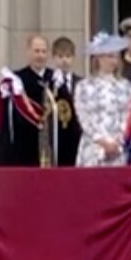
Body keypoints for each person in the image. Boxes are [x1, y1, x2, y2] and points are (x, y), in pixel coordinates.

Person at [0, 36, 61, 167]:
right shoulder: (16, 81)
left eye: (43, 51)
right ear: (28, 52)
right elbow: (6, 122)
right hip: (23, 148)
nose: (40, 55)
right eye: (36, 51)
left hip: (51, 146)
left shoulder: (56, 79)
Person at [74, 33, 131, 167]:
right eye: (110, 56)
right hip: (92, 147)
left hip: (117, 148)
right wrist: (101, 140)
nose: (114, 61)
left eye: (116, 57)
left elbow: (128, 115)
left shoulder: (125, 86)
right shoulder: (84, 86)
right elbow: (83, 117)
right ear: (99, 58)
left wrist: (117, 141)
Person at [50, 36, 82, 167]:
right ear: (54, 57)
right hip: (56, 136)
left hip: (76, 135)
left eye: (68, 56)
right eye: (60, 56)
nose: (64, 60)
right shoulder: (49, 82)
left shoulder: (80, 83)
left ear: (73, 58)